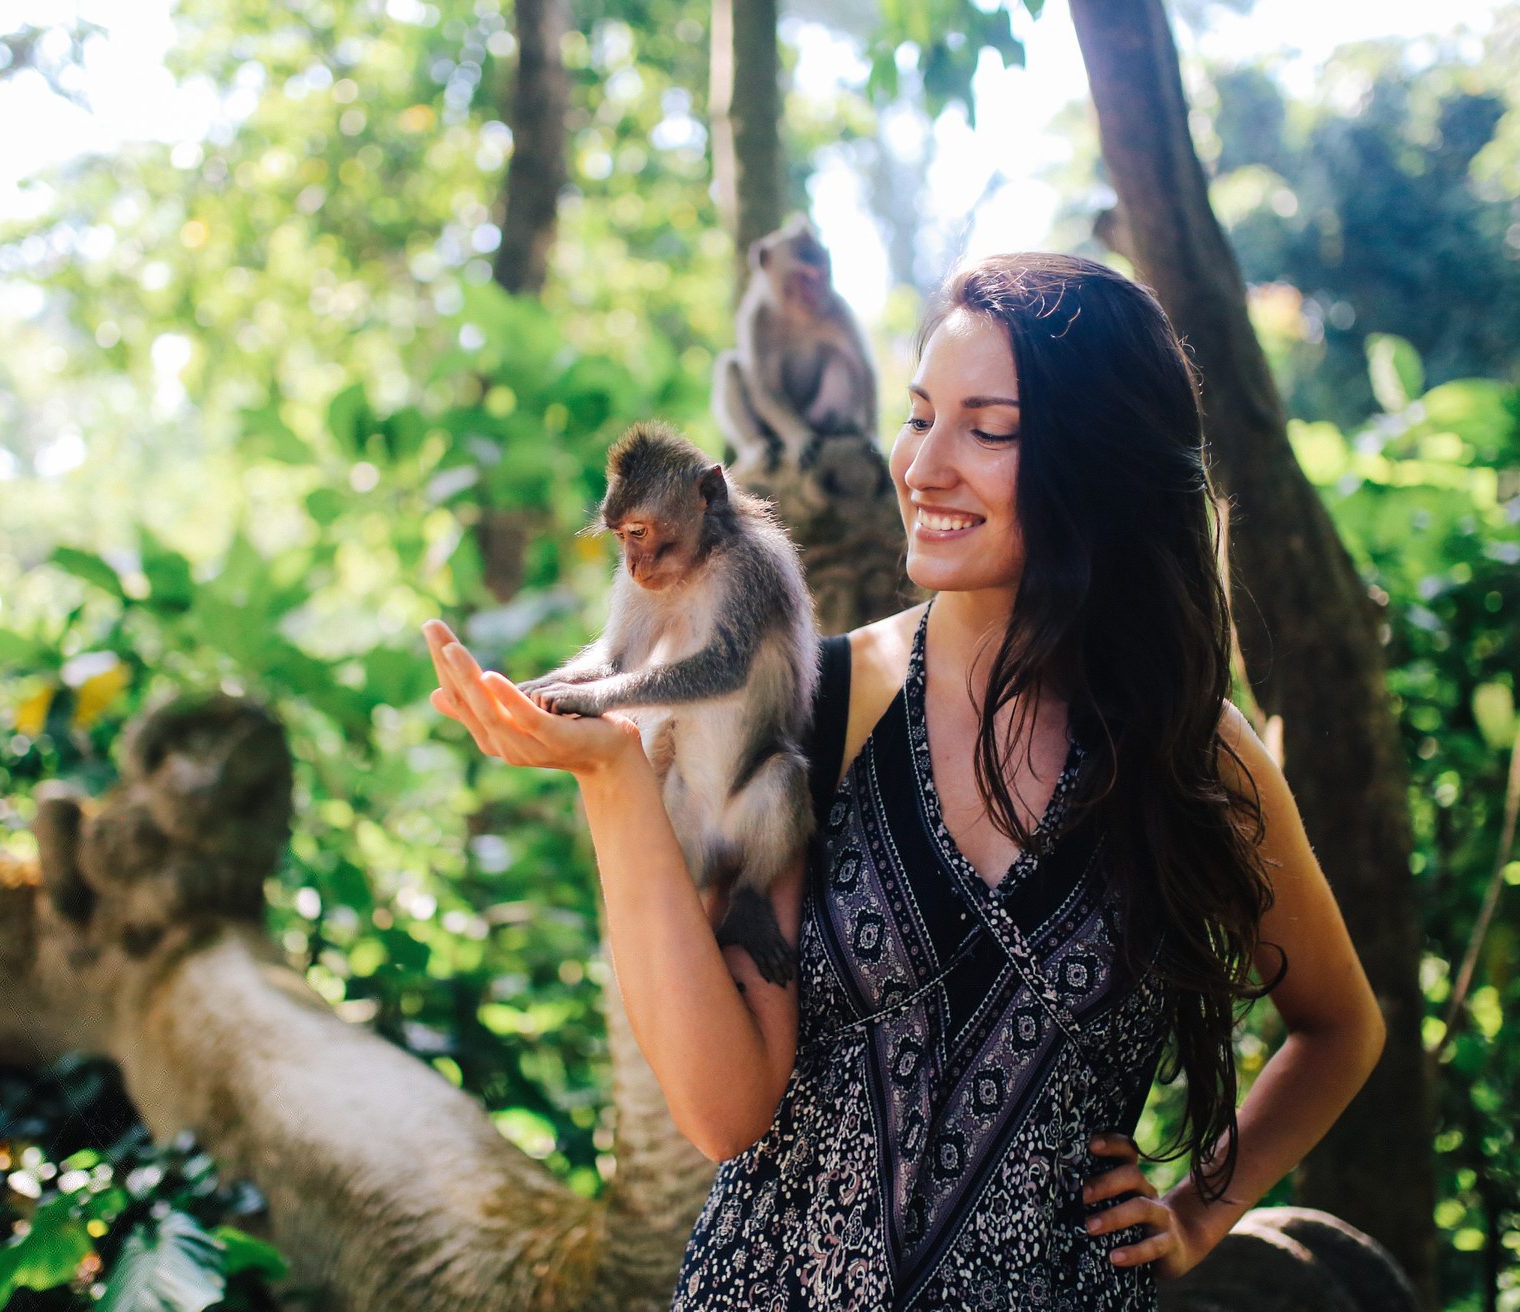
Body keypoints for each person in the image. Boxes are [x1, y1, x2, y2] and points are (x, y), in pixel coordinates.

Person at [423, 252, 1386, 1310]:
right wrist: (610, 780)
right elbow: (723, 1107)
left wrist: (1203, 1205)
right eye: (919, 413)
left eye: (987, 428)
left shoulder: (1189, 750)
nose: (923, 466)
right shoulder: (820, 704)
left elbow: (1338, 1026)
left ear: (1097, 460)